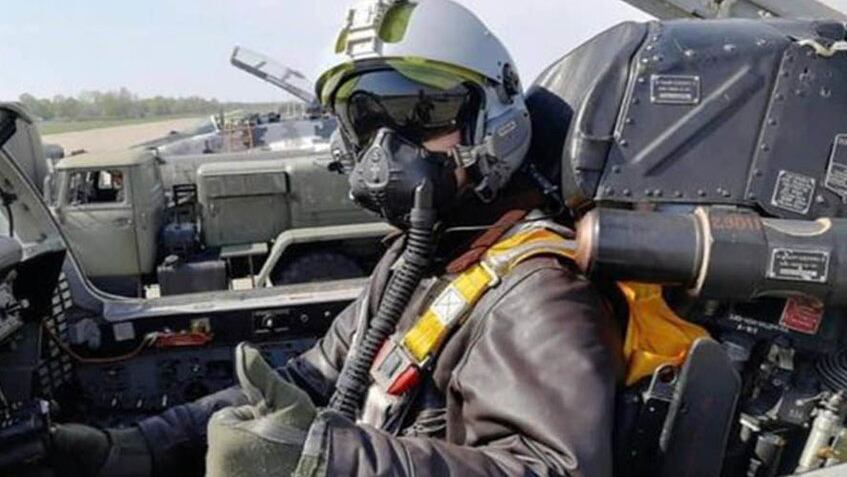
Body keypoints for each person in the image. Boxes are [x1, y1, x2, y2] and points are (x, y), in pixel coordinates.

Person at [50, 1, 623, 476]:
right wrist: (139, 448)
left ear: (493, 120)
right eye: (363, 120)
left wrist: (330, 460)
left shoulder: (539, 296)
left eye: (421, 113)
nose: (385, 150)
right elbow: (310, 381)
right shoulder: (422, 259)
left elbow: (551, 468)